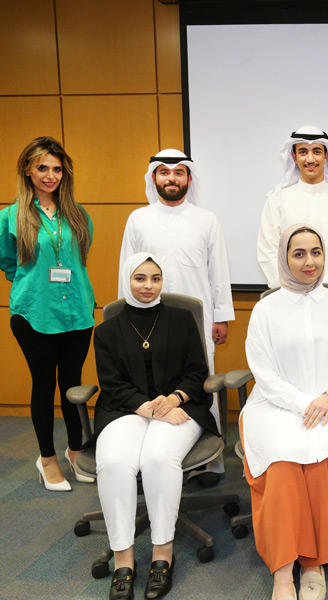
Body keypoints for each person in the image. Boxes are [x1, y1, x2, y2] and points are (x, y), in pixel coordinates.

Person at [240, 224, 328, 600]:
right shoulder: (265, 309)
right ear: (284, 258)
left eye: (316, 252)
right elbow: (264, 374)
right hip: (276, 406)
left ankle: (314, 563)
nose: (309, 261)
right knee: (282, 463)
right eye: (299, 254)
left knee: (323, 460)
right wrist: (305, 404)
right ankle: (283, 573)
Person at [93, 253, 218, 600]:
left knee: (158, 458)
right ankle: (123, 561)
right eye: (140, 278)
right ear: (127, 280)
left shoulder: (181, 320)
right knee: (114, 462)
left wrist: (174, 399)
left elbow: (197, 372)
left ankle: (163, 555)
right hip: (125, 410)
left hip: (179, 407)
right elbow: (111, 383)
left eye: (155, 278)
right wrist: (150, 408)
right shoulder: (106, 331)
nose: (148, 286)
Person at [118, 149, 234, 474]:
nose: (172, 178)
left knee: (201, 385)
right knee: (149, 382)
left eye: (179, 172)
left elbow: (218, 271)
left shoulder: (207, 219)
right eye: (164, 172)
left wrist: (221, 317)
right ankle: (153, 462)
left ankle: (209, 463)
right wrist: (125, 318)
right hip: (147, 320)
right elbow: (127, 270)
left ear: (189, 178)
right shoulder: (138, 219)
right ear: (154, 177)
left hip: (198, 321)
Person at [0, 136, 95, 492]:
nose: (50, 175)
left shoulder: (78, 214)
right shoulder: (10, 217)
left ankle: (75, 450)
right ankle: (47, 459)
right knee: (43, 385)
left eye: (57, 169)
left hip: (77, 312)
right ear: (28, 170)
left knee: (72, 385)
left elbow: (79, 258)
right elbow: (8, 262)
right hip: (34, 313)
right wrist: (34, 285)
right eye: (42, 168)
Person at [257, 125, 328, 288]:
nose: (310, 159)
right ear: (294, 157)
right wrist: (289, 289)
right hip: (288, 294)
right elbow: (267, 252)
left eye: (317, 151)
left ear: (326, 156)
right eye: (303, 152)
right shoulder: (277, 200)